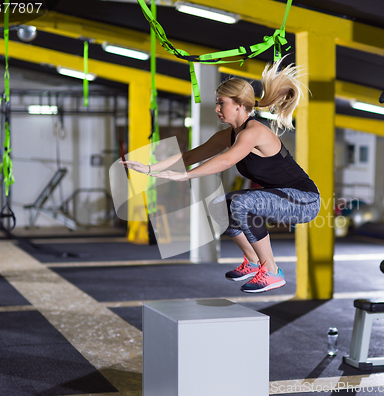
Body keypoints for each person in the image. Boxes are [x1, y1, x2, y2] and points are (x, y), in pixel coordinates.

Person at [121, 58, 320, 293]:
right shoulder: (229, 135)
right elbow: (188, 156)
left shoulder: (255, 132)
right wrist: (150, 168)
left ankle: (272, 271)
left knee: (242, 203)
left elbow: (227, 160)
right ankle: (254, 261)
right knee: (219, 206)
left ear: (238, 105)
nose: (216, 109)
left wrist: (186, 177)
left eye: (220, 103)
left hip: (304, 200)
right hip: (280, 196)